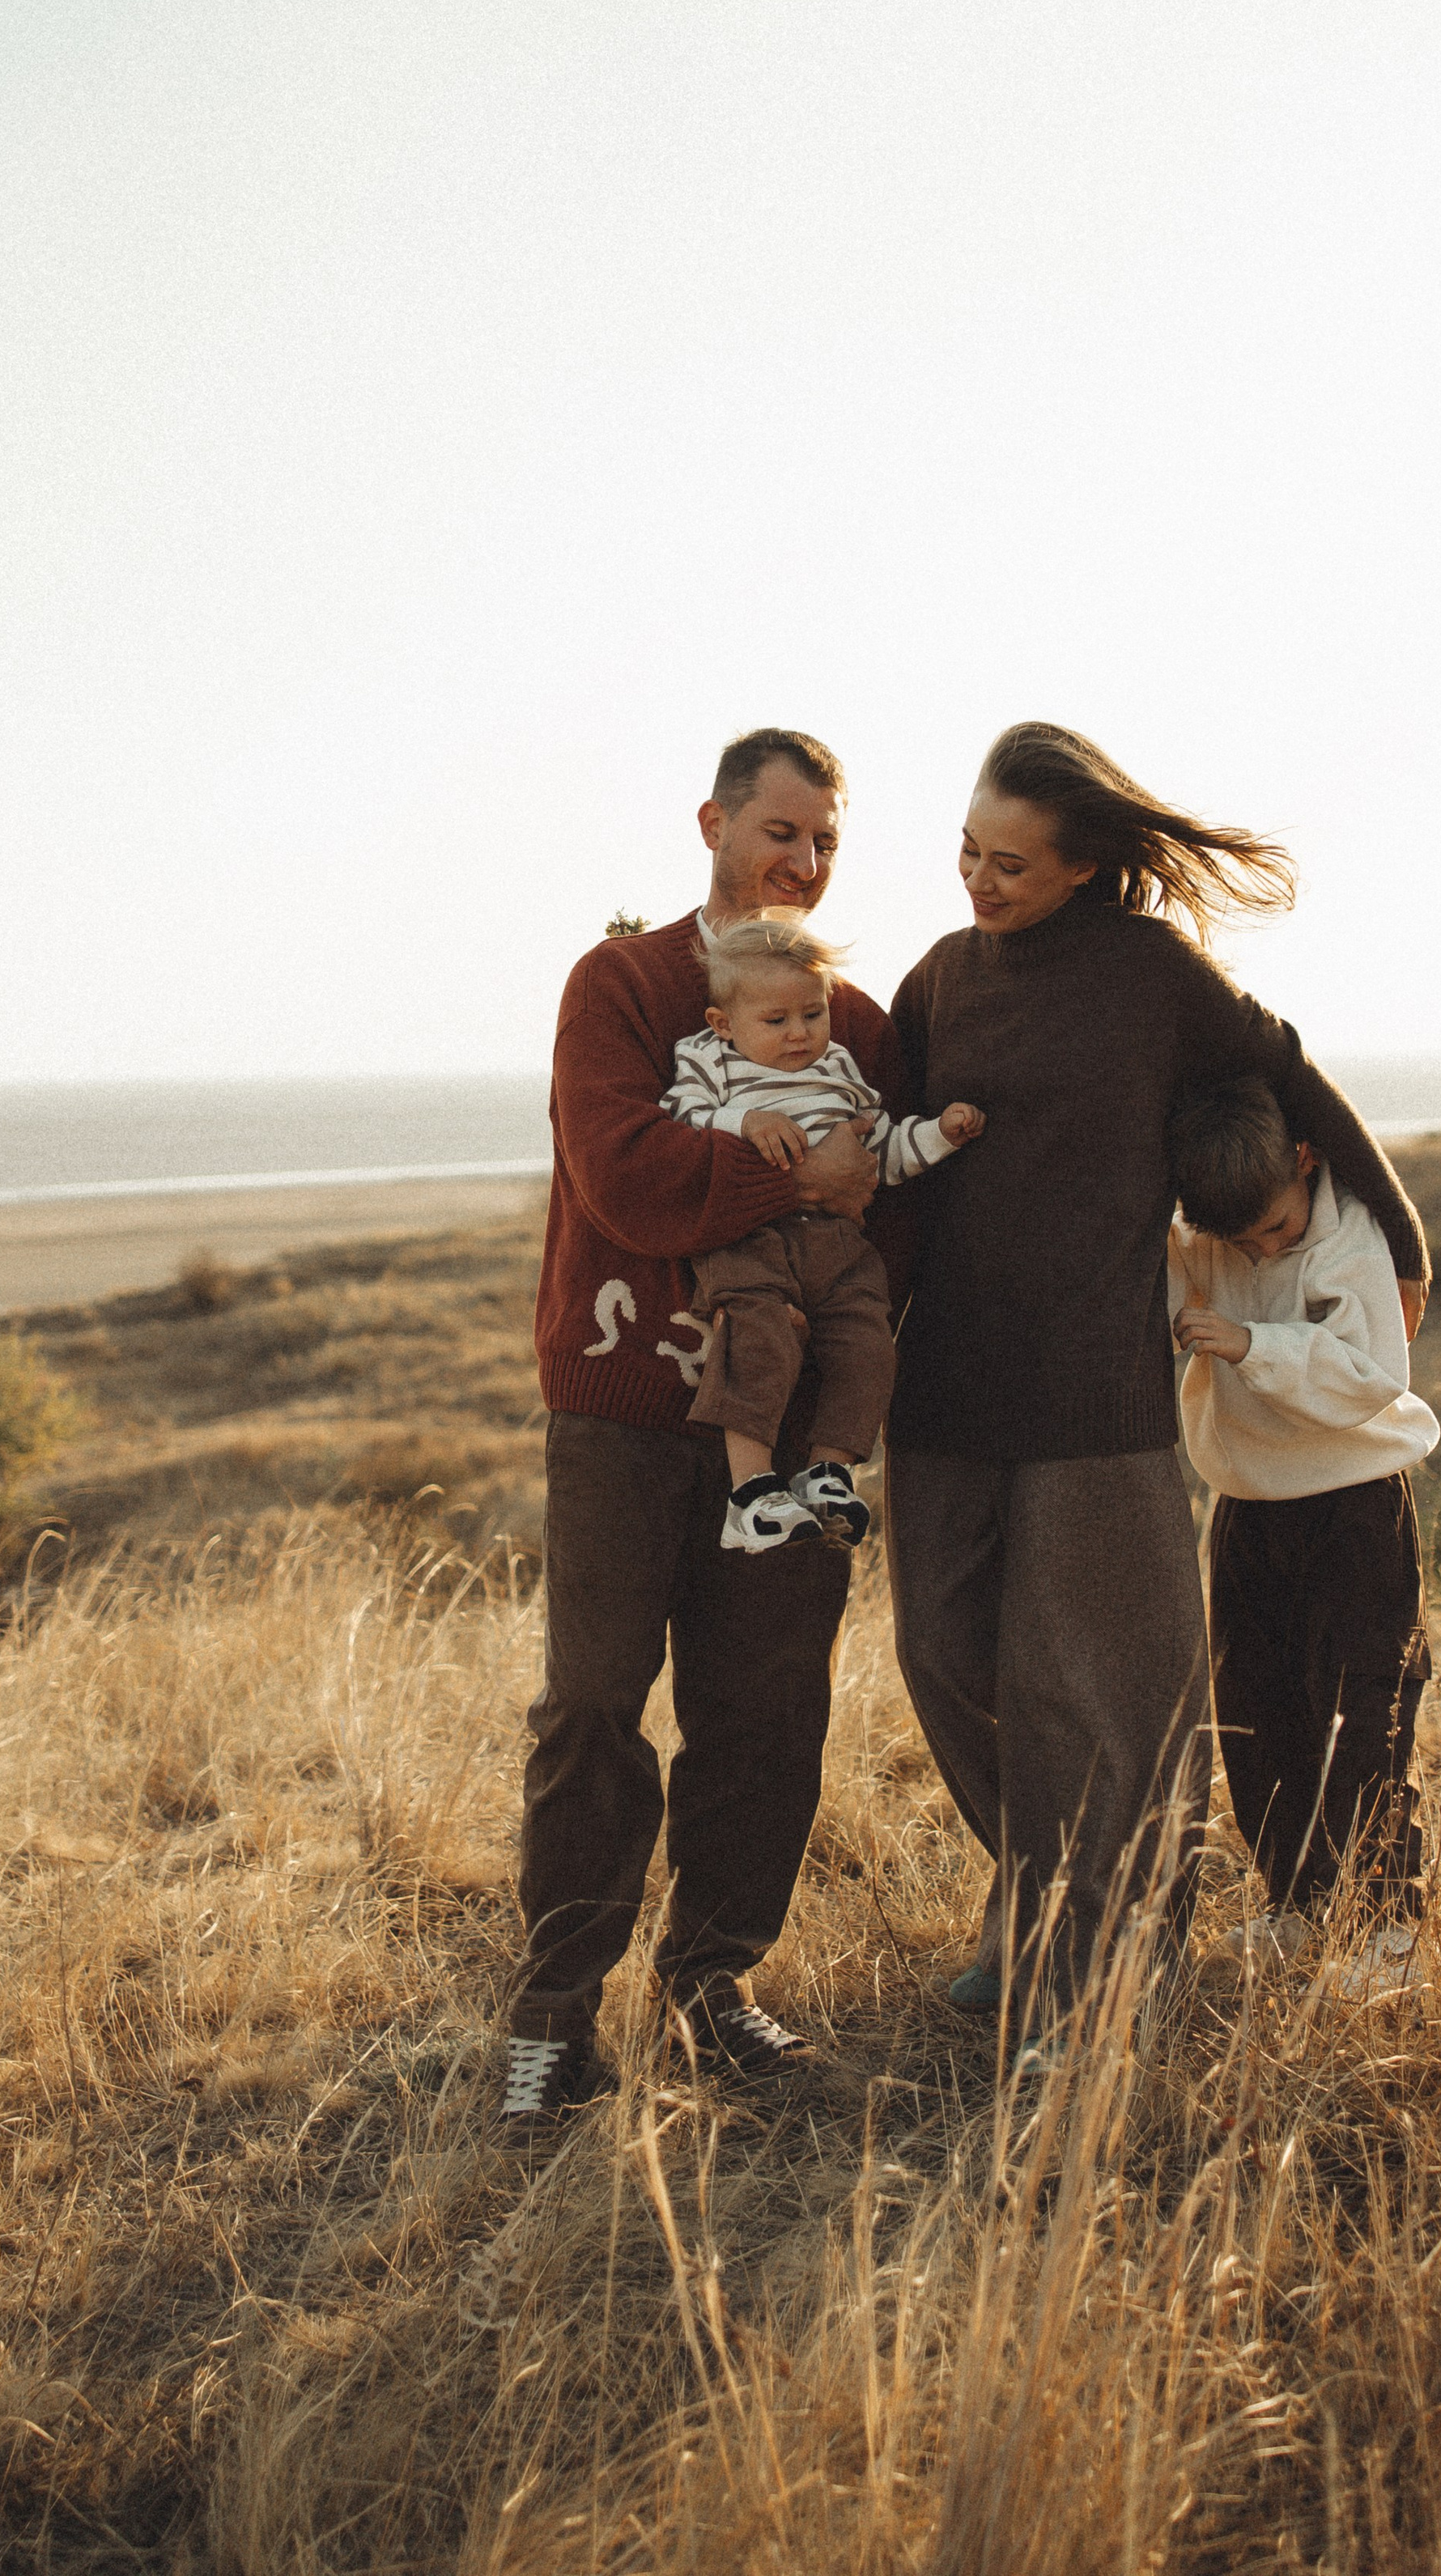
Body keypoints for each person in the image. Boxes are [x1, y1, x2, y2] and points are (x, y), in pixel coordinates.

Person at [883, 721, 1429, 2056]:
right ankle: (1045, 1904)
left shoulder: (1148, 975)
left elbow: (1288, 1069)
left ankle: (1105, 1964)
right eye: (967, 847)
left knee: (1097, 1694)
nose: (979, 878)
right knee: (945, 1661)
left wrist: (1404, 1241)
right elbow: (878, 1152)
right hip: (944, 1384)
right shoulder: (941, 979)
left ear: (1082, 869)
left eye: (1010, 862)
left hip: (1097, 1395)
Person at [499, 726, 899, 2142]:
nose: (800, 859)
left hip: (784, 1435)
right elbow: (624, 1178)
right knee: (595, 1709)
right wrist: (795, 1176)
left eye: (824, 841)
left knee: (765, 1713)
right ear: (714, 823)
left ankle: (710, 1986)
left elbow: (886, 1200)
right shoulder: (622, 986)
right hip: (618, 1409)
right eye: (779, 830)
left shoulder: (849, 1015)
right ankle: (552, 2023)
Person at [1167, 1079, 1439, 1998]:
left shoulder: (1350, 1234)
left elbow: (1370, 1375)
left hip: (1354, 1500)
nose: (1258, 1249)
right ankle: (1297, 1901)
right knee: (1256, 1707)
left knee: (1364, 1709)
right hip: (1249, 1499)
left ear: (1305, 1162)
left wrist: (1250, 1344)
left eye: (1274, 1231)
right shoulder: (1217, 1223)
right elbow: (1167, 1280)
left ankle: (1386, 1926)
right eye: (1237, 1242)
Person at [663, 910, 983, 1551]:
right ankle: (750, 1493)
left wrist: (938, 1136)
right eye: (775, 1021)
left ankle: (829, 1470)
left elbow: (880, 1154)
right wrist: (745, 1122)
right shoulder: (710, 1062)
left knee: (868, 1344)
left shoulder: (838, 1067)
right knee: (759, 1338)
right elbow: (682, 1120)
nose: (798, 1034)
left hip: (836, 1243)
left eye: (812, 1013)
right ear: (723, 1023)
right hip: (749, 1236)